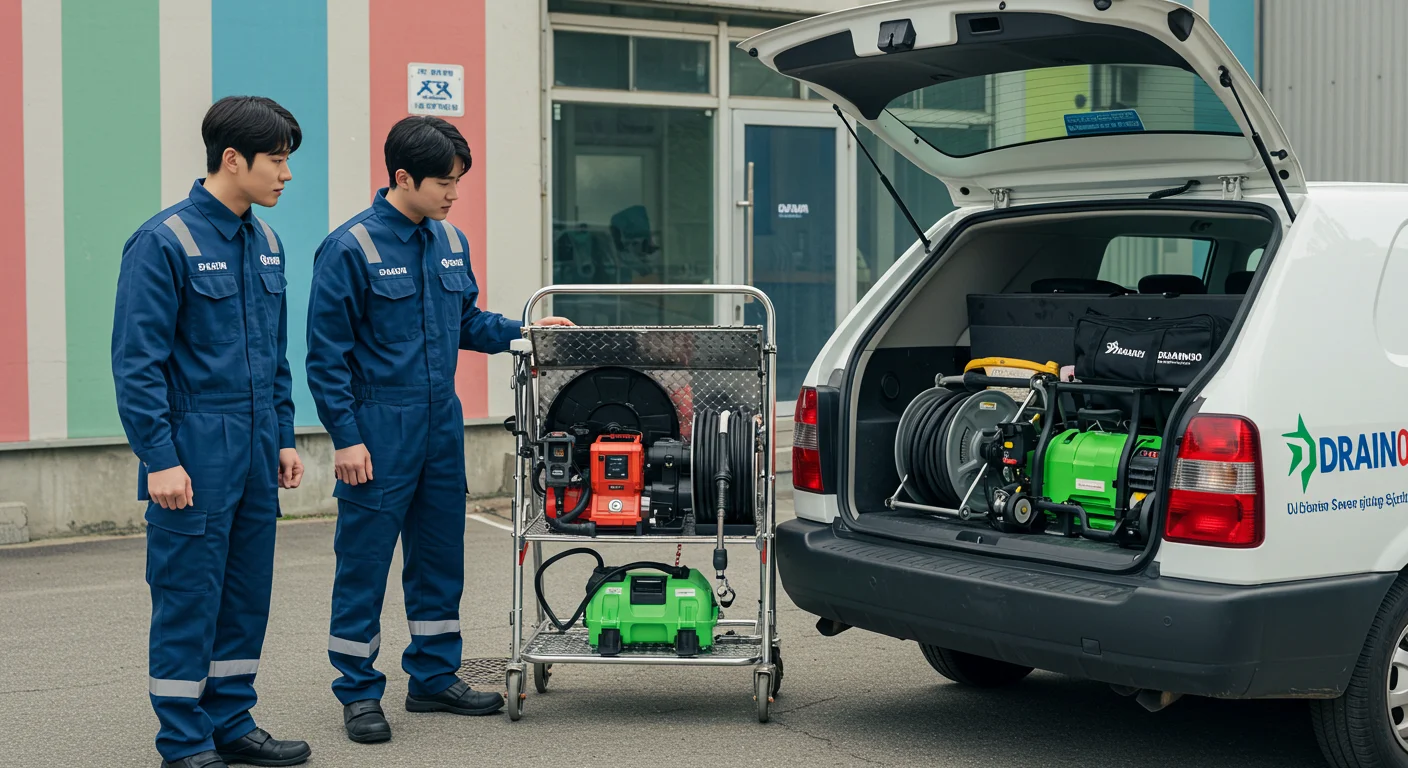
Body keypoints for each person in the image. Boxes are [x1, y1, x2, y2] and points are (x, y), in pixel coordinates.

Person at [306, 115, 572, 744]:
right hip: (376, 426)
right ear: (403, 177)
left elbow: (466, 322)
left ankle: (432, 676)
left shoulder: (449, 240)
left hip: (438, 426)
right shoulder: (351, 248)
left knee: (438, 558)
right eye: (445, 183)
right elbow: (325, 358)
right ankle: (358, 692)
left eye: (459, 182)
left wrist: (525, 333)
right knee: (364, 564)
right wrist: (345, 437)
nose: (455, 194)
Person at [111, 95, 312, 768]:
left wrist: (283, 436)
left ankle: (231, 720)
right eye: (277, 162)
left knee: (246, 591)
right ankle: (184, 739)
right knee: (188, 593)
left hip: (254, 445)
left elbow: (273, 356)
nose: (286, 175)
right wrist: (159, 457)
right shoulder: (164, 241)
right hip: (194, 445)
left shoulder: (268, 243)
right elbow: (138, 365)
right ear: (234, 160)